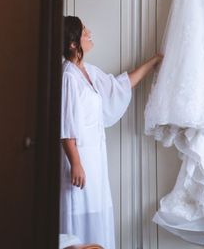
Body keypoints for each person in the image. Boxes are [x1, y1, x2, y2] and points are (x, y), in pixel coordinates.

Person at [60, 15, 162, 249]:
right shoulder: (68, 76)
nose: (90, 34)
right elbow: (65, 126)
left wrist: (154, 61)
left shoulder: (88, 72)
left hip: (95, 160)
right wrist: (75, 163)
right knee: (80, 213)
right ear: (73, 43)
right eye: (85, 32)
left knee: (97, 211)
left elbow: (121, 86)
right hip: (78, 160)